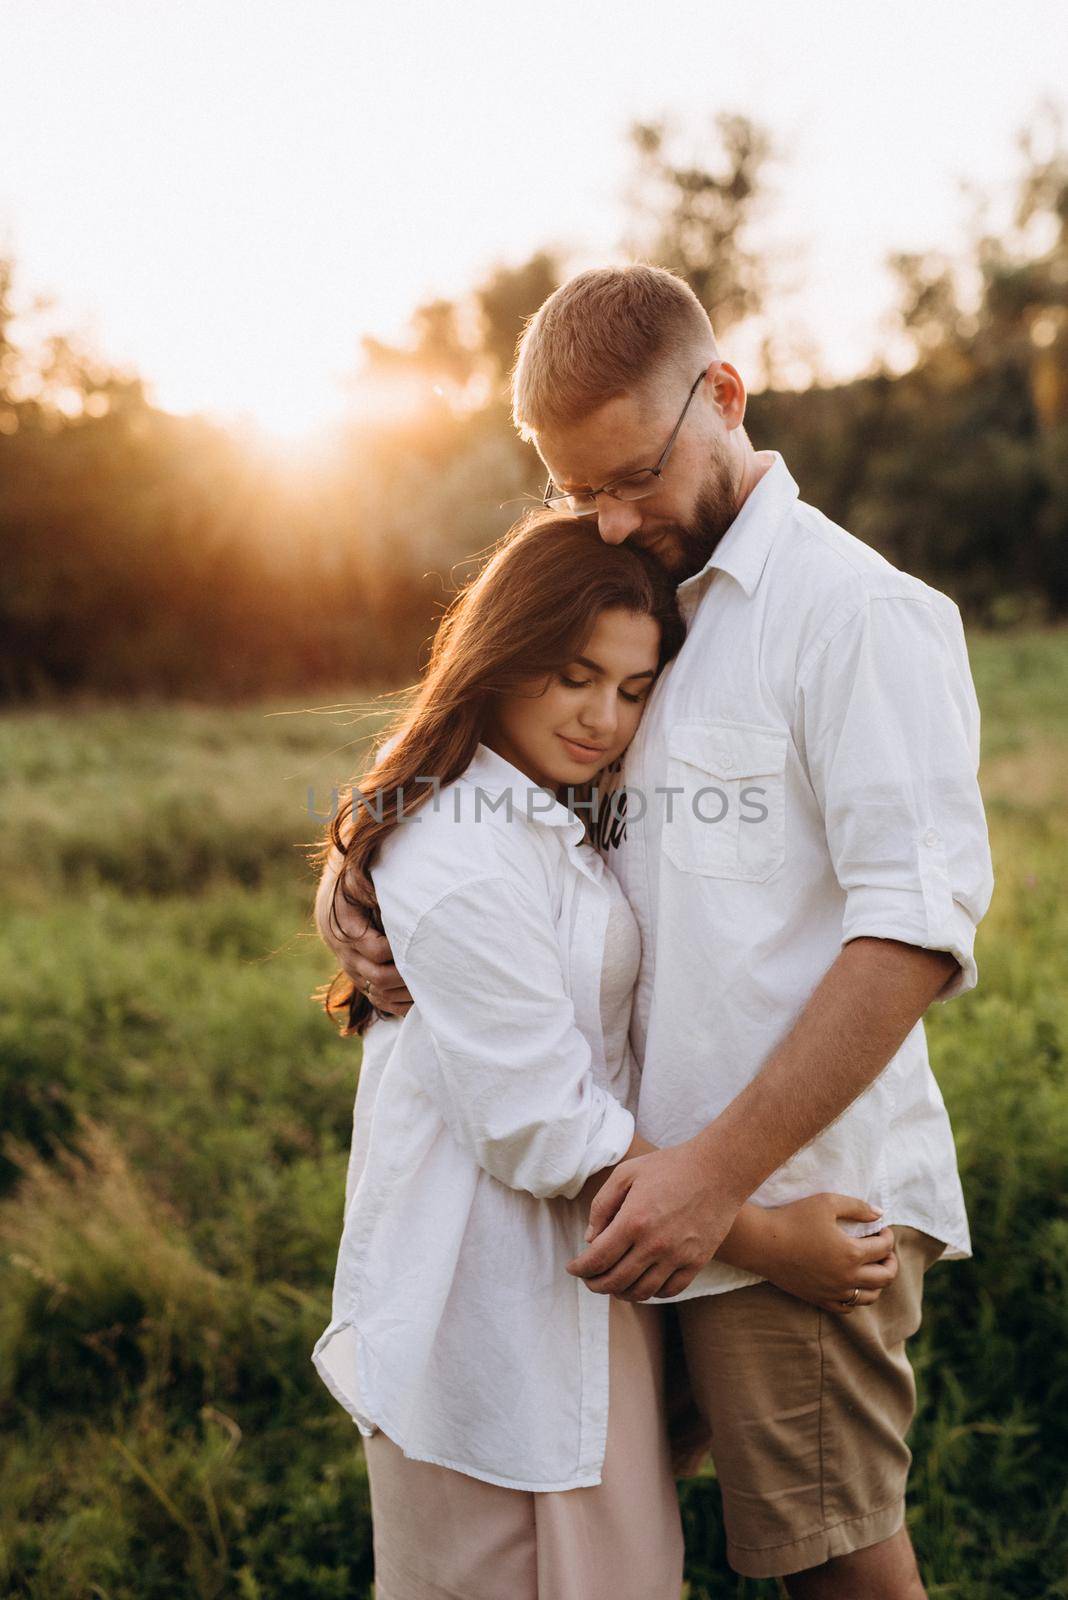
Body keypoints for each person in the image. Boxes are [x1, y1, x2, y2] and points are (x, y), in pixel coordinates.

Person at [321, 265, 994, 1597]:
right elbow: (500, 784)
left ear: (725, 396)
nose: (613, 515)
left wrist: (721, 1185)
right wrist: (360, 868)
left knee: (837, 1564)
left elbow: (911, 933)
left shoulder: (851, 612)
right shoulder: (647, 597)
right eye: (579, 491)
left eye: (632, 474)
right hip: (630, 1205)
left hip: (782, 1187)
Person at [310, 512, 901, 1600]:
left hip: (586, 1277)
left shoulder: (552, 806)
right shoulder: (461, 843)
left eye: (633, 691)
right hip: (490, 1294)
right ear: (501, 651)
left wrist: (356, 861)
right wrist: (771, 1241)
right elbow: (538, 1117)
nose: (603, 717)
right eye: (577, 675)